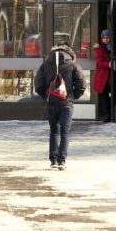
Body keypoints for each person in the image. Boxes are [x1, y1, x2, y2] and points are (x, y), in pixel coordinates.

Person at [34, 42, 86, 170]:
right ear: (69, 53)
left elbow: (38, 85)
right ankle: (62, 161)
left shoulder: (45, 65)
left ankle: (53, 161)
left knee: (54, 132)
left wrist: (46, 96)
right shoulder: (73, 65)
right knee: (65, 133)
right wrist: (72, 97)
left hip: (51, 103)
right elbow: (82, 84)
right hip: (66, 103)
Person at [92, 29, 116, 122]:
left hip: (112, 76)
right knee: (103, 96)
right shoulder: (99, 48)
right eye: (103, 38)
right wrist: (108, 64)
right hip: (103, 77)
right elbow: (99, 62)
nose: (105, 40)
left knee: (115, 95)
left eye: (107, 38)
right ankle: (106, 116)